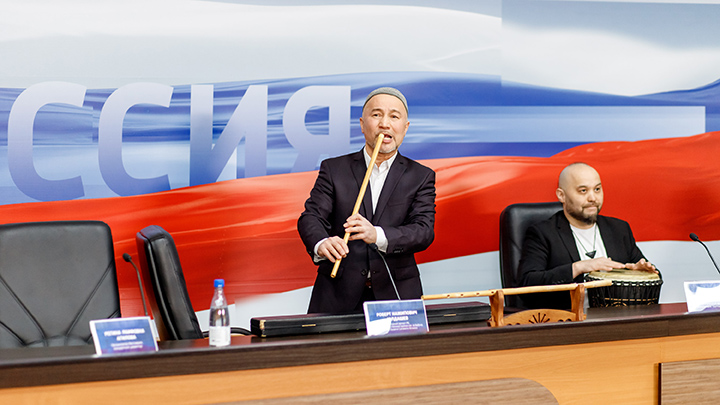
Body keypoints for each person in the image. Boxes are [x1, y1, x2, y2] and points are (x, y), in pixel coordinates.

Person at [297, 87, 436, 314]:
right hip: (336, 295)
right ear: (362, 124)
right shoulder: (334, 169)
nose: (385, 124)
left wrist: (377, 235)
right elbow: (311, 217)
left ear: (405, 127)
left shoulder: (421, 176)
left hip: (396, 295)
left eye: (394, 116)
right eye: (376, 115)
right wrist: (322, 243)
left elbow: (423, 231)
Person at [517, 162, 657, 309]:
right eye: (583, 191)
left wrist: (643, 272)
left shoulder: (619, 229)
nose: (593, 198)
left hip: (617, 318)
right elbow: (527, 284)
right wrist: (578, 267)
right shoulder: (543, 233)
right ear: (561, 195)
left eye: (597, 189)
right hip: (569, 320)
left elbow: (651, 273)